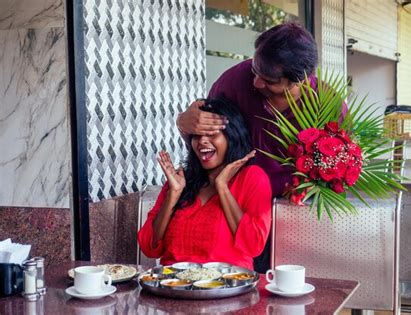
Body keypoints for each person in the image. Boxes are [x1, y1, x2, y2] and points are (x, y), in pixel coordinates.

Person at [177, 22, 347, 272]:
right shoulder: (233, 82)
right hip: (236, 210)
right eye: (254, 70)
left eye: (268, 80)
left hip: (294, 217)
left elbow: (338, 174)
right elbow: (207, 142)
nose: (256, 82)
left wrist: (306, 191)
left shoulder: (328, 105)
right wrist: (184, 123)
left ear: (299, 79)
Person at [138, 98, 272, 270]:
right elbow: (149, 247)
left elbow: (253, 246)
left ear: (232, 136)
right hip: (174, 286)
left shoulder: (252, 178)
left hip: (227, 289)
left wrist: (222, 187)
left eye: (211, 133)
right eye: (197, 135)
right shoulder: (180, 181)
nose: (202, 141)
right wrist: (173, 194)